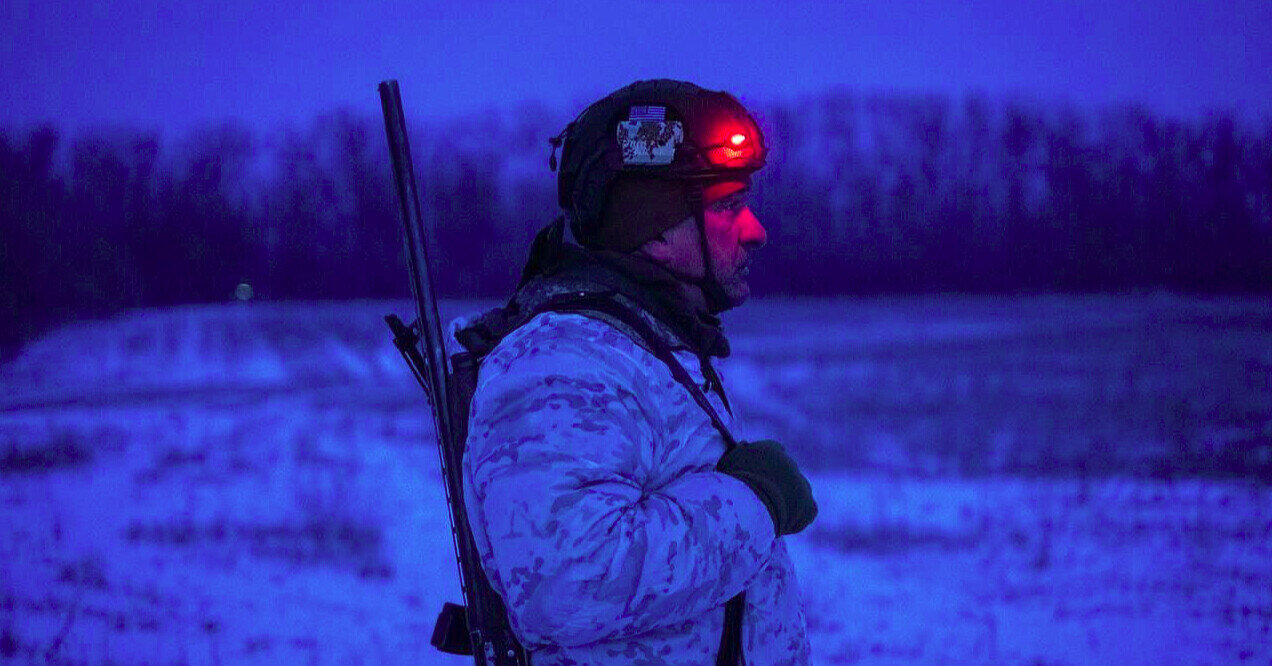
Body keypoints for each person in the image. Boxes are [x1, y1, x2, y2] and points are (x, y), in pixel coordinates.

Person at [452, 79, 817, 665]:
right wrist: (756, 501)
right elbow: (569, 584)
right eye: (727, 207)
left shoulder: (636, 350)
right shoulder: (562, 366)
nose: (755, 231)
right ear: (655, 232)